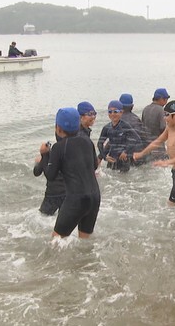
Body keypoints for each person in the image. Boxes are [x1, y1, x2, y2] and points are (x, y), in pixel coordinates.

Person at [43, 108, 100, 239]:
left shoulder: (58, 148)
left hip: (76, 199)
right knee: (84, 242)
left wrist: (45, 155)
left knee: (56, 242)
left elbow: (50, 176)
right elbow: (94, 165)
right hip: (95, 197)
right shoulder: (87, 141)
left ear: (58, 128)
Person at [134, 100, 175, 204]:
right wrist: (141, 154)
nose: (164, 118)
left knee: (171, 205)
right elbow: (157, 142)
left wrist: (167, 162)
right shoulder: (169, 128)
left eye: (166, 115)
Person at [97, 100, 142, 173]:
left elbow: (137, 139)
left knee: (124, 182)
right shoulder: (106, 128)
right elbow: (99, 143)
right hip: (112, 160)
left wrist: (126, 152)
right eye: (110, 112)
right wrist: (104, 156)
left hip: (123, 160)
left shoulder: (125, 126)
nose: (112, 114)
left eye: (115, 111)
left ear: (121, 112)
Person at [33, 137, 66, 216]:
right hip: (66, 192)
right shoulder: (64, 154)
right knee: (64, 217)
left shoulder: (45, 158)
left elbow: (36, 173)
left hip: (52, 194)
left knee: (43, 216)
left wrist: (38, 162)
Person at [141, 88, 170, 160]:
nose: (166, 102)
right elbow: (163, 128)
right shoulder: (161, 110)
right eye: (166, 99)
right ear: (161, 99)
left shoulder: (145, 109)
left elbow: (141, 127)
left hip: (146, 146)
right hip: (158, 146)